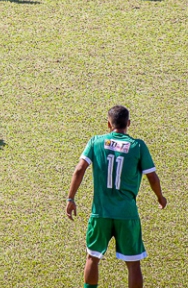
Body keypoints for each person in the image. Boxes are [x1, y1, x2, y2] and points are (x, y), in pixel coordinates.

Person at [66, 105, 168, 288]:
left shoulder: (96, 142)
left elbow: (79, 169)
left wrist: (71, 199)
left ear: (108, 124)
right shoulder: (138, 146)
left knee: (93, 257)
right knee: (133, 263)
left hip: (100, 214)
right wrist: (160, 197)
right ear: (128, 123)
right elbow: (152, 176)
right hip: (127, 215)